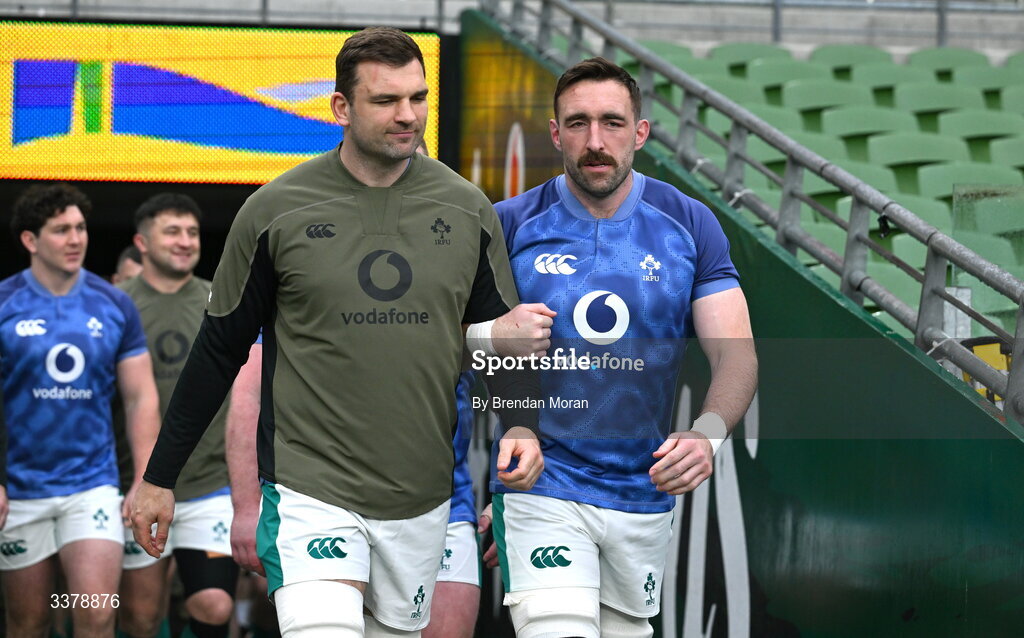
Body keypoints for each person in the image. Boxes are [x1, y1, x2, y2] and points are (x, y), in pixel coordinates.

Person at [130, 27, 547, 638]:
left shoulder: (467, 209)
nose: (407, 116)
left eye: (418, 97)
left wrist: (520, 426)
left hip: (423, 500)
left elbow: (499, 341)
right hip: (309, 490)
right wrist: (159, 477)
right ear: (340, 107)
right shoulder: (274, 211)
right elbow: (219, 353)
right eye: (385, 101)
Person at [482, 58, 758, 638]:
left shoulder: (690, 224)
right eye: (577, 123)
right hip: (542, 483)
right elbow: (445, 347)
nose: (595, 141)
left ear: (640, 132)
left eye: (612, 123)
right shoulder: (508, 225)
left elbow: (736, 355)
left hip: (644, 490)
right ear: (555, 133)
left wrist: (707, 435)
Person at [0, 182, 161, 638]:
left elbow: (140, 397)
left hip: (91, 486)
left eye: (81, 227)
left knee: (93, 613)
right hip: (21, 491)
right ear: (31, 240)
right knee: (29, 621)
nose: (76, 239)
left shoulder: (114, 304)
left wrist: (144, 479)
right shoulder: (5, 303)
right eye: (60, 230)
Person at [116, 193, 238, 638]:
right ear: (141, 242)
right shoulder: (114, 305)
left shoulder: (221, 300)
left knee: (215, 604)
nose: (186, 241)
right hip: (135, 485)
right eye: (172, 231)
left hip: (209, 485)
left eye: (191, 232)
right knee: (141, 618)